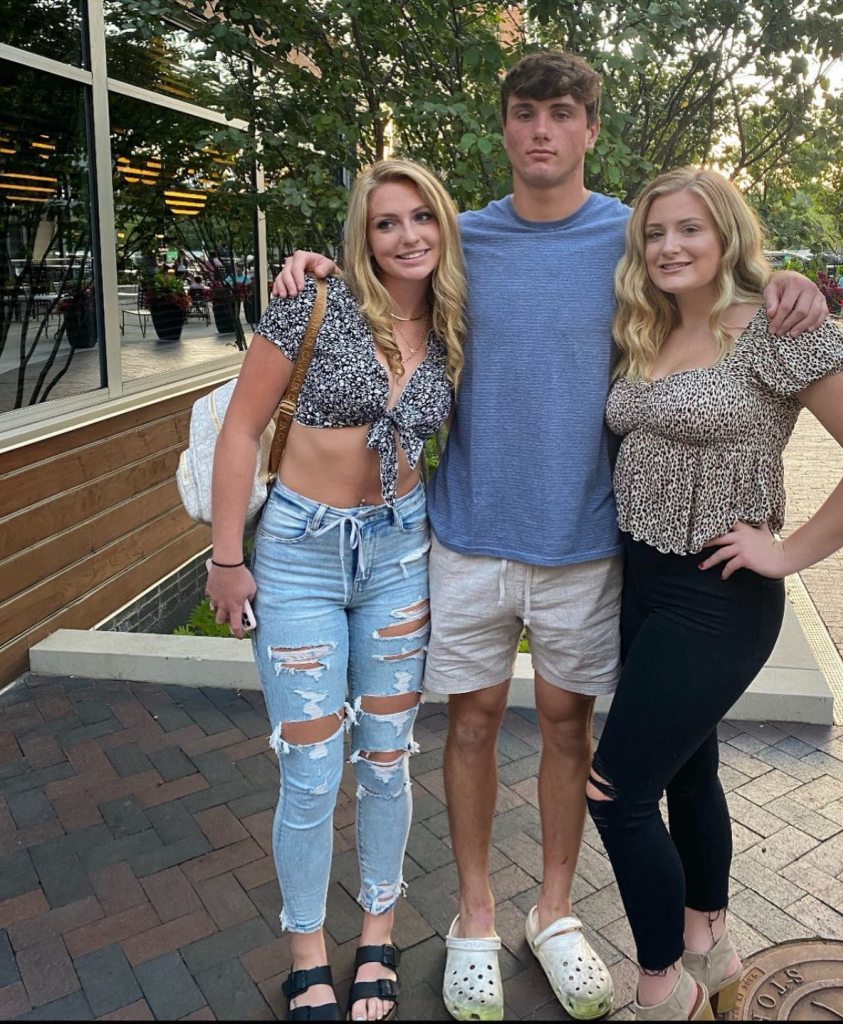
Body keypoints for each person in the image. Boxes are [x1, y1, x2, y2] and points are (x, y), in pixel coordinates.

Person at [272, 51, 829, 1023]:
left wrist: (786, 280)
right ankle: (477, 917)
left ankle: (557, 911)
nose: (540, 130)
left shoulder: (632, 238)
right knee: (474, 723)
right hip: (469, 532)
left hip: (585, 542)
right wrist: (310, 265)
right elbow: (380, 266)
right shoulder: (462, 238)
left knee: (570, 729)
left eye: (560, 113)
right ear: (505, 128)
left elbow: (713, 285)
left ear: (588, 129)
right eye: (524, 113)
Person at [587, 166, 843, 1021]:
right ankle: (711, 944)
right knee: (691, 773)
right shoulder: (641, 330)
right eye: (655, 233)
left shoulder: (774, 327)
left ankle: (666, 992)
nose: (669, 246)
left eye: (690, 229)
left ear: (726, 235)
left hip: (719, 596)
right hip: (643, 583)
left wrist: (789, 552)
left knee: (616, 794)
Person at [207, 158, 466, 1023]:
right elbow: (243, 430)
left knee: (388, 765)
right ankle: (308, 952)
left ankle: (378, 938)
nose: (407, 236)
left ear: (443, 225)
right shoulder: (311, 301)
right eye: (387, 221)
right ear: (364, 232)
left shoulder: (459, 326)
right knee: (312, 772)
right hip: (299, 559)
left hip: (398, 555)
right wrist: (225, 557)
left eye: (421, 217)